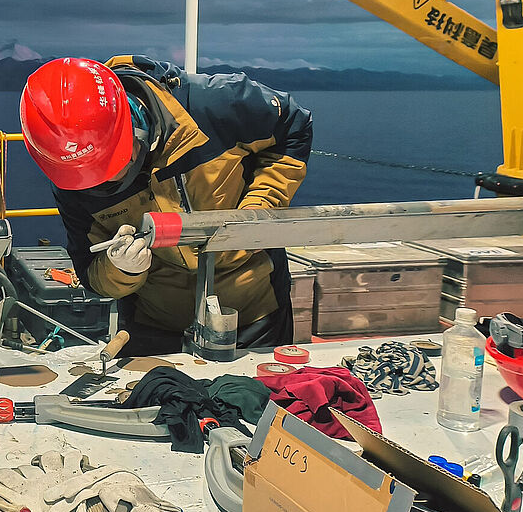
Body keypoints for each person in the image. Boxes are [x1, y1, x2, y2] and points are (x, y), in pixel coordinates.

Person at [19, 55, 312, 354]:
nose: (104, 182)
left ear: (133, 122)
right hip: (153, 324)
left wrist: (258, 211)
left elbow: (293, 123)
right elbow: (92, 273)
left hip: (251, 310)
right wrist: (122, 270)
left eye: (114, 162)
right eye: (90, 175)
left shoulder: (214, 105)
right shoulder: (73, 180)